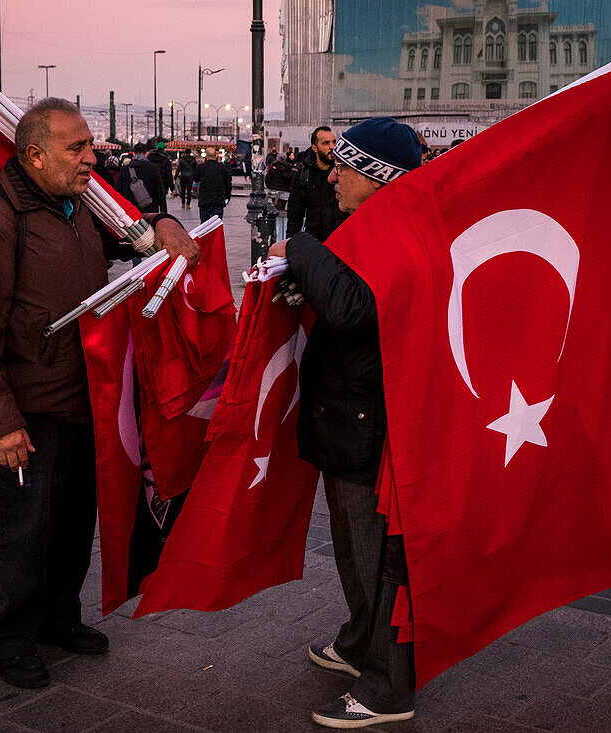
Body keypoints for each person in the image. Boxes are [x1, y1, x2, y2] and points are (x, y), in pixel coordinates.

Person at [0, 98, 199, 691]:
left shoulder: (75, 205)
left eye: (90, 145)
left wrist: (161, 222)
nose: (93, 157)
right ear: (34, 155)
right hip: (24, 415)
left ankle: (60, 618)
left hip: (81, 400)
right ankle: (8, 639)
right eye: (77, 148)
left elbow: (128, 239)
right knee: (20, 534)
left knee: (70, 524)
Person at [268, 117, 422, 729]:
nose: (331, 174)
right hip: (347, 414)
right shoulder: (372, 222)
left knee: (375, 556)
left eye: (346, 166)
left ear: (378, 176)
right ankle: (361, 644)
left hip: (371, 423)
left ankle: (389, 687)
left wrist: (300, 250)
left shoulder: (399, 228)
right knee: (353, 550)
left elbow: (357, 309)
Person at [287, 126, 348, 241]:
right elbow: (295, 216)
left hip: (342, 242)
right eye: (326, 143)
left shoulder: (344, 172)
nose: (332, 147)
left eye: (334, 142)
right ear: (315, 148)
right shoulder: (303, 176)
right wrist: (291, 247)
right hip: (315, 243)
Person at [116, 142, 167, 214]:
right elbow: (160, 192)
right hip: (150, 209)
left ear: (133, 153)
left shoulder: (125, 169)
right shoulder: (153, 168)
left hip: (131, 210)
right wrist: (163, 211)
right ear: (146, 154)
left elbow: (120, 190)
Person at [193, 147, 231, 223]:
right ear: (215, 156)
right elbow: (228, 184)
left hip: (204, 199)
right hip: (218, 200)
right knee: (217, 225)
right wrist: (227, 197)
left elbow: (195, 179)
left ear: (206, 156)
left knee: (204, 225)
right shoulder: (223, 168)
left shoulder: (201, 167)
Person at [146, 141, 175, 206]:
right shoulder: (166, 159)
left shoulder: (149, 157)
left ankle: (155, 214)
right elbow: (168, 175)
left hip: (151, 182)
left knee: (153, 202)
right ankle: (163, 214)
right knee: (162, 203)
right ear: (164, 149)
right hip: (163, 184)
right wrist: (172, 187)